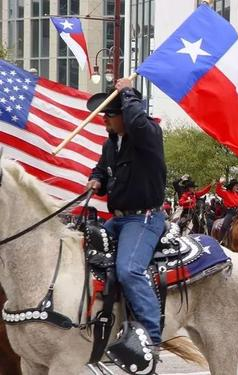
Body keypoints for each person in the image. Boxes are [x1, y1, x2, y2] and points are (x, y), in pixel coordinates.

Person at [86, 78, 166, 347]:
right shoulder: (111, 144)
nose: (104, 120)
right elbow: (101, 169)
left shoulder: (148, 135)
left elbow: (138, 123)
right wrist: (95, 180)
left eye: (110, 114)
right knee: (80, 254)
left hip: (144, 218)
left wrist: (129, 92)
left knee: (129, 269)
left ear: (127, 114)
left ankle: (150, 339)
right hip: (118, 219)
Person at [216, 177, 238, 242]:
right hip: (231, 212)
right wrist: (220, 183)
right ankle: (221, 240)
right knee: (225, 225)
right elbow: (218, 191)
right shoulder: (226, 193)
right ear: (232, 186)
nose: (237, 187)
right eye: (236, 186)